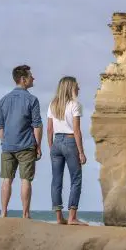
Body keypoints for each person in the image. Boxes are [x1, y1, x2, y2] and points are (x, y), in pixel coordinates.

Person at [0, 64, 43, 219]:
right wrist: (39, 145)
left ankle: (3, 213)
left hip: (7, 146)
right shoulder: (32, 99)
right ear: (23, 80)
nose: (33, 78)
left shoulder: (3, 100)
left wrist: (4, 142)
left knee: (7, 179)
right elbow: (37, 125)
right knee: (25, 180)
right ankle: (25, 214)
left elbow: (0, 125)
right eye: (30, 76)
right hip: (26, 145)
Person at [47, 76, 88, 225]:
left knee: (56, 181)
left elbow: (49, 129)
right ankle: (72, 217)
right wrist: (81, 152)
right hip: (71, 141)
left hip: (56, 142)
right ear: (70, 87)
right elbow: (77, 130)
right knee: (76, 179)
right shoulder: (75, 105)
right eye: (77, 86)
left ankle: (59, 218)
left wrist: (51, 147)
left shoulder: (52, 104)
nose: (79, 88)